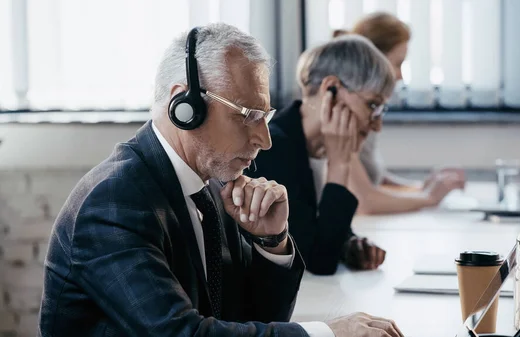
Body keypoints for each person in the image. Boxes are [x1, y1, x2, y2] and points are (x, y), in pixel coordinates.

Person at [38, 24, 402, 337]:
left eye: (265, 115)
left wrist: (271, 242)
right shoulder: (114, 202)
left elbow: (255, 319)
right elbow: (182, 333)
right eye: (247, 115)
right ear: (185, 106)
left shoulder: (211, 185)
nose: (265, 138)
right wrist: (327, 332)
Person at [248, 35, 395, 275]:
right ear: (331, 89)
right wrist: (339, 164)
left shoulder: (312, 147)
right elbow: (317, 261)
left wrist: (349, 244)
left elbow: (312, 226)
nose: (377, 125)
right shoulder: (273, 148)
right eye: (372, 105)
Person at [335, 12, 466, 215]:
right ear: (372, 62)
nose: (400, 76)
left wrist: (422, 187)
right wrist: (429, 197)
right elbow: (366, 201)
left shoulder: (368, 111)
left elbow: (372, 178)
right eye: (397, 64)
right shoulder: (341, 114)